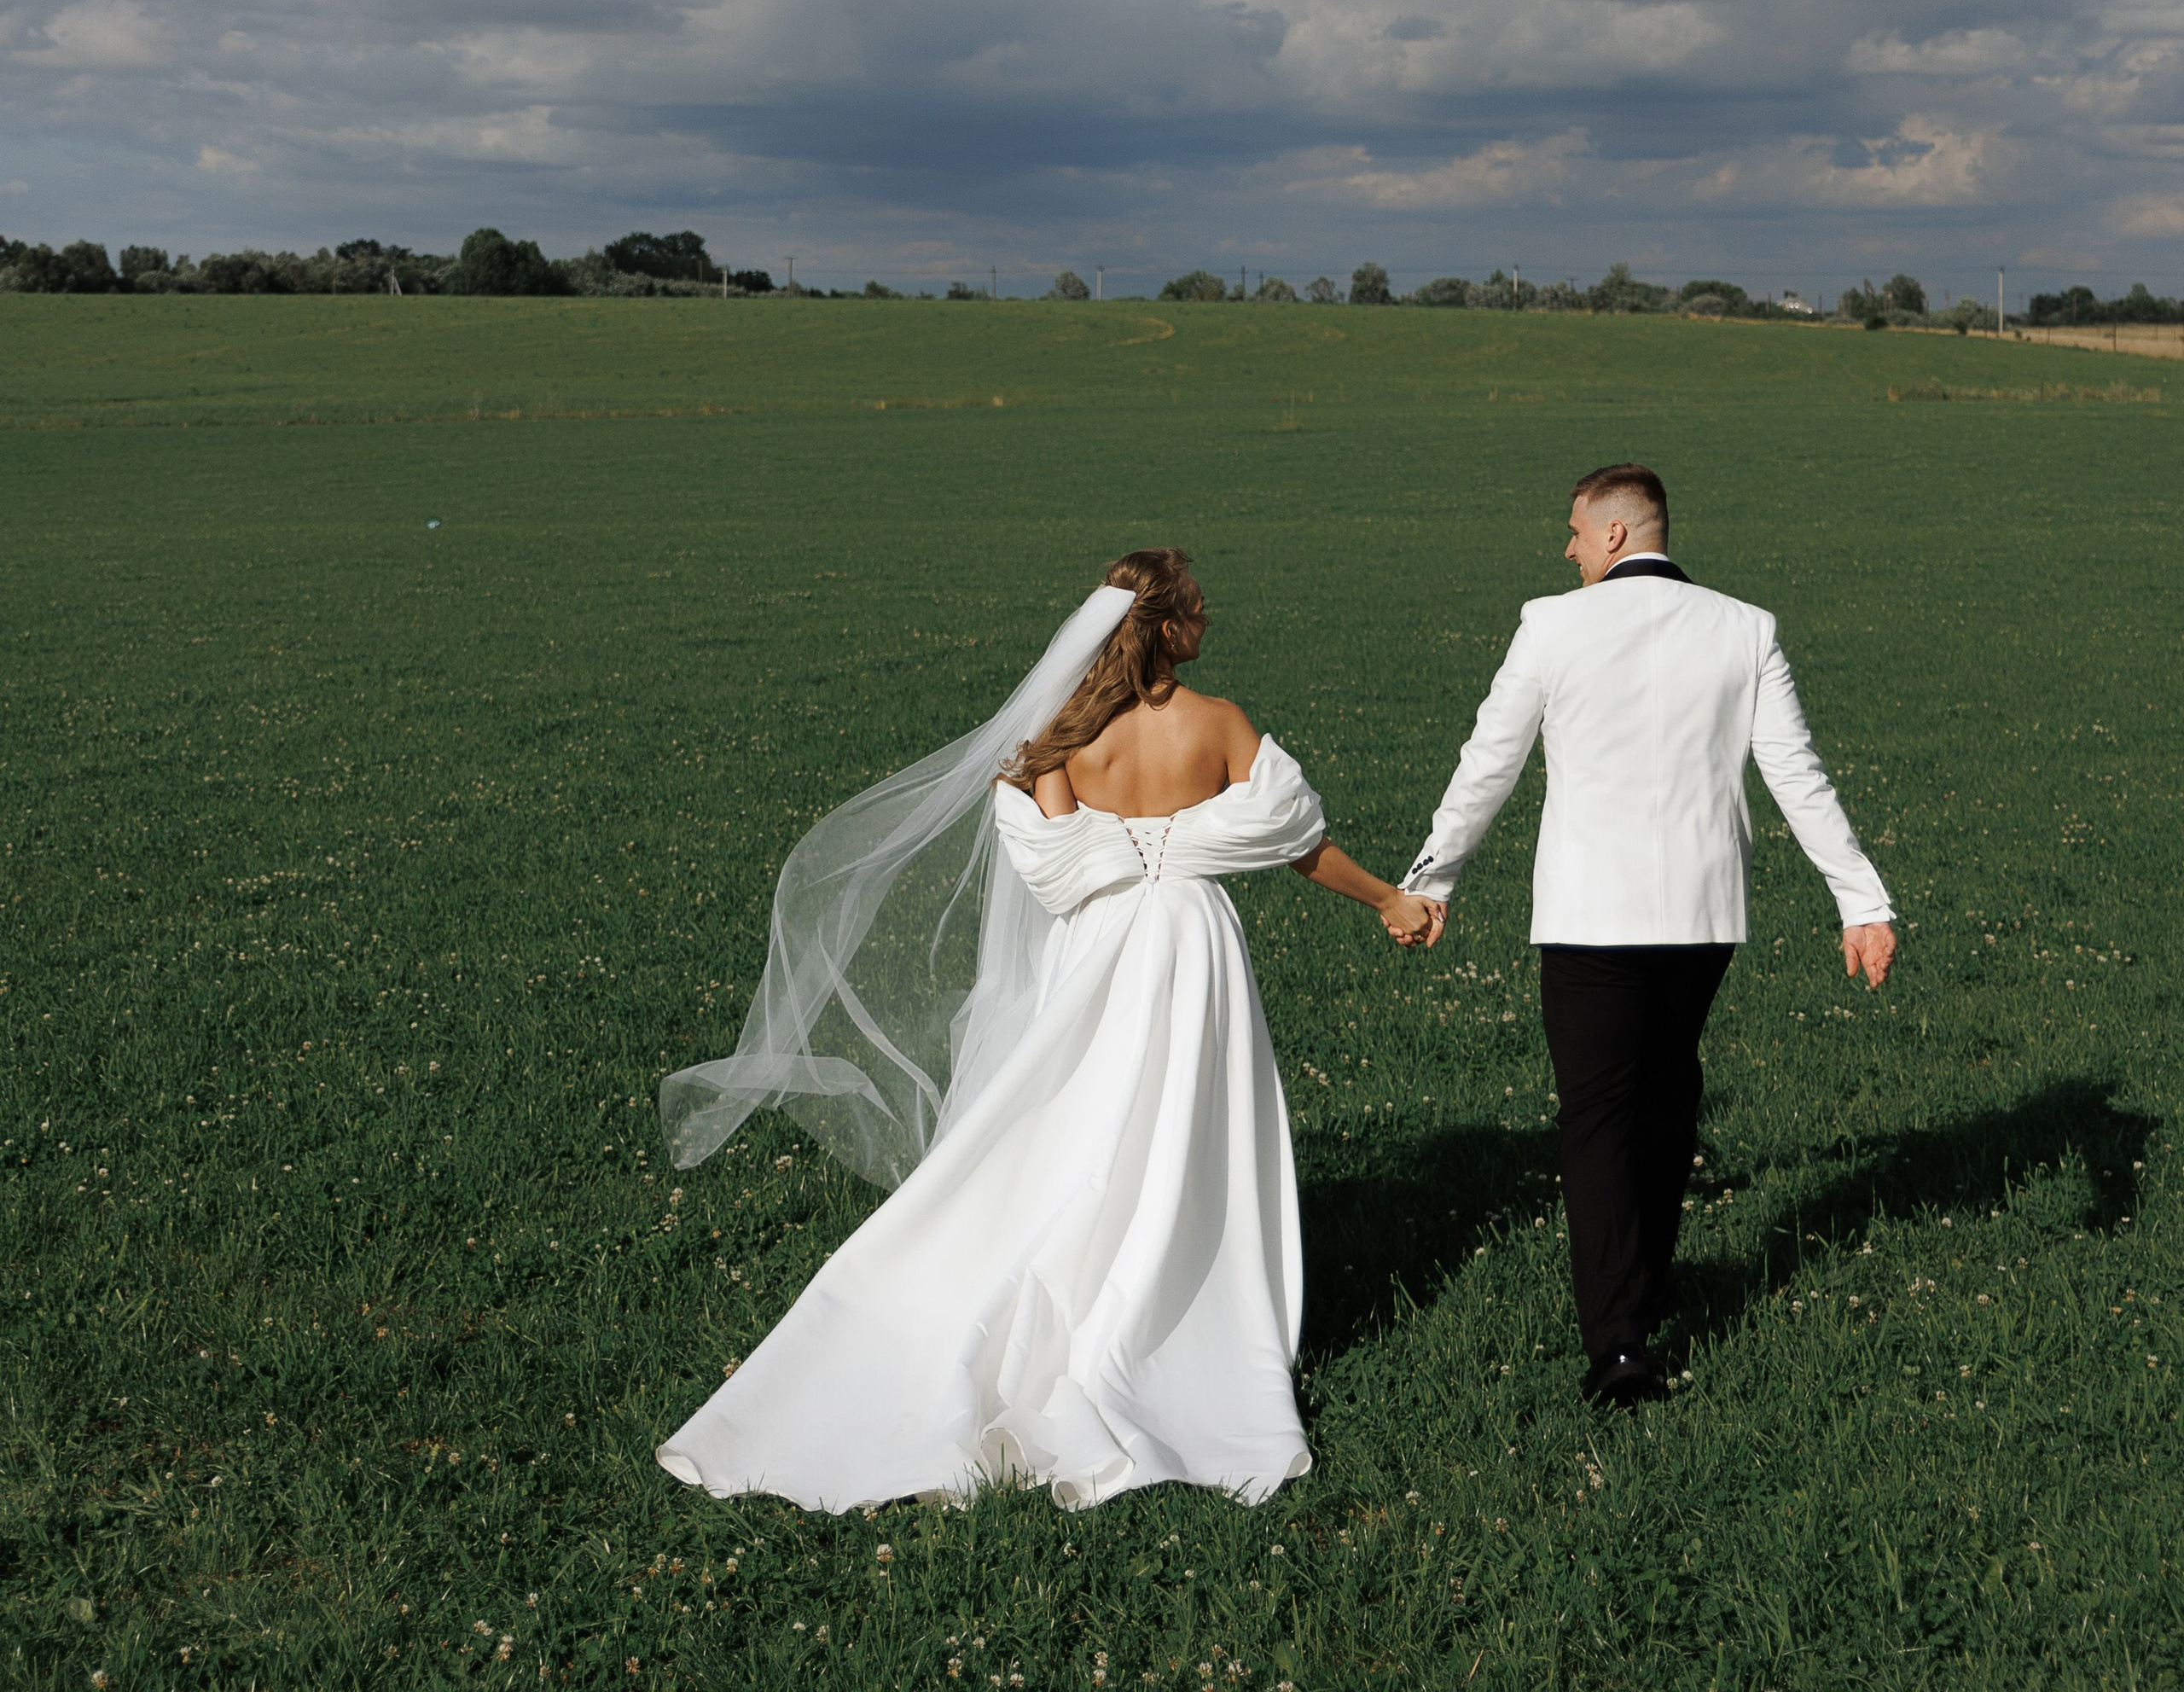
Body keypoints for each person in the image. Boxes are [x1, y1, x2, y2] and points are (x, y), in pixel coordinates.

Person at [654, 549, 1438, 1509]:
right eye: (1198, 608)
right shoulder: (1221, 726)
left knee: (1082, 1119)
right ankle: (1175, 1310)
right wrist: (1389, 900)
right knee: (1184, 1128)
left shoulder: (1063, 740)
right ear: (1170, 626)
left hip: (1099, 950)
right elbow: (1301, 847)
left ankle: (1065, 1279)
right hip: (1192, 950)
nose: (1207, 619)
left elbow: (1057, 862)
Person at [1400, 465, 1896, 1407]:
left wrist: (1431, 880)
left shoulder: (1550, 624)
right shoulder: (1744, 628)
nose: (1568, 550)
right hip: (1704, 918)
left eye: (1576, 533)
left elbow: (1487, 763)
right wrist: (1860, 902)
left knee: (1594, 1118)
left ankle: (1618, 1347)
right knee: (1667, 1093)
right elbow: (1799, 775)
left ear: (1617, 535)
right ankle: (1650, 1281)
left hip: (1590, 917)